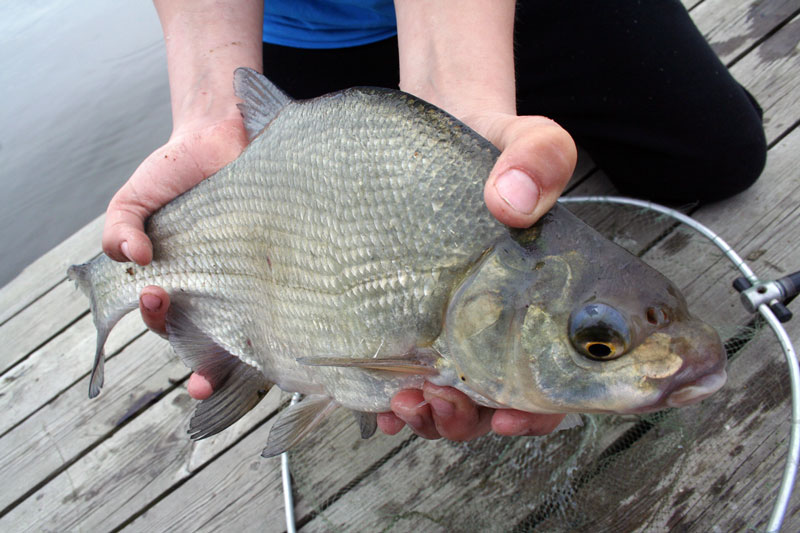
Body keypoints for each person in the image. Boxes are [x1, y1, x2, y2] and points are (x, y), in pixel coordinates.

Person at [102, 0, 767, 442]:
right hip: (300, 29)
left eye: (598, 342)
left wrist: (459, 97)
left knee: (720, 152)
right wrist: (210, 106)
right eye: (597, 343)